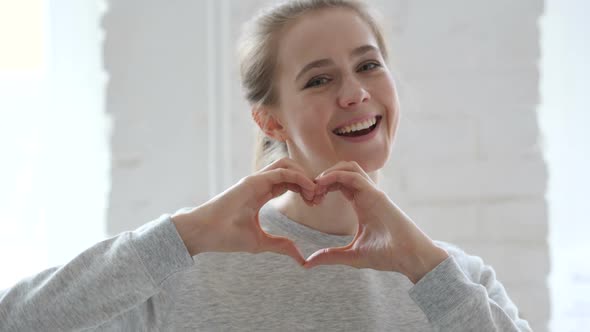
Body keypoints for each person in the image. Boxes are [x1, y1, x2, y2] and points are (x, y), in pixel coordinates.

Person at [0, 0, 532, 330]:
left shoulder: (454, 281)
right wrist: (179, 237)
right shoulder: (185, 267)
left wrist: (423, 263)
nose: (354, 92)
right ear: (270, 122)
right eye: (319, 79)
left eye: (368, 65)